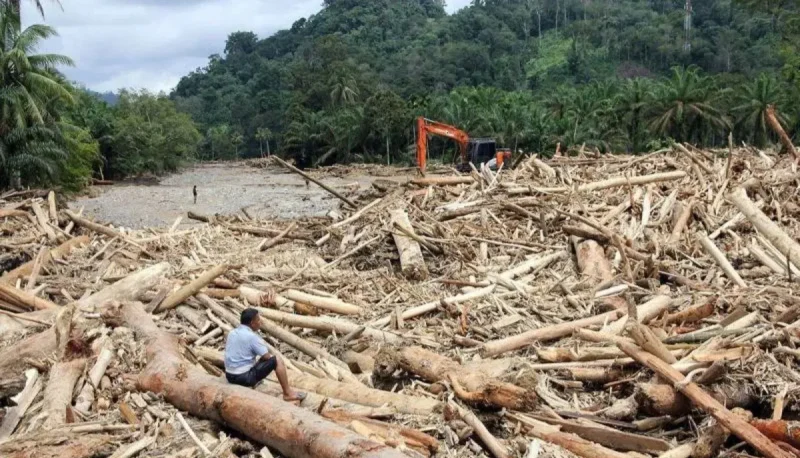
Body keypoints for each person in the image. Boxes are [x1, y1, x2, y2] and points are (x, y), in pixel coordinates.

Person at [224, 308, 306, 402]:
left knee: (258, 358)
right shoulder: (252, 337)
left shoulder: (232, 332)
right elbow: (266, 356)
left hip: (229, 375)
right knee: (277, 360)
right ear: (252, 323)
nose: (260, 322)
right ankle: (287, 393)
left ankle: (254, 380)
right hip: (243, 378)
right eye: (258, 320)